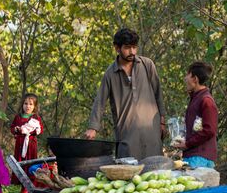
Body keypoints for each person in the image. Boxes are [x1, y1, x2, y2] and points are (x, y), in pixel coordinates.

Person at [84, 28, 166, 160]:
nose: (132, 52)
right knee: (129, 173)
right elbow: (100, 101)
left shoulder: (147, 65)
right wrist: (93, 127)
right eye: (128, 48)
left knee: (156, 170)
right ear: (117, 48)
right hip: (127, 133)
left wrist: (162, 121)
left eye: (134, 47)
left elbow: (158, 94)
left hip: (151, 131)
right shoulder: (110, 73)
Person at [173, 61, 218, 168]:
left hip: (200, 158)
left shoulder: (206, 100)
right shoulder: (196, 98)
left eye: (187, 75)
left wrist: (188, 144)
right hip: (192, 156)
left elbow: (209, 130)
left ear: (195, 79)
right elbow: (196, 129)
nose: (185, 79)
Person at [10, 93, 44, 193]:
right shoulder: (18, 117)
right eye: (25, 104)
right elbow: (12, 127)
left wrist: (30, 130)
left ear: (35, 106)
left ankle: (29, 188)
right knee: (20, 164)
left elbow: (40, 129)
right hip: (20, 145)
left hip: (30, 145)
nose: (28, 106)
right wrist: (16, 129)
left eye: (30, 104)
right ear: (22, 105)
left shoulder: (35, 117)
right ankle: (22, 186)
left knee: (30, 164)